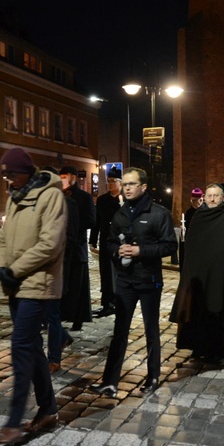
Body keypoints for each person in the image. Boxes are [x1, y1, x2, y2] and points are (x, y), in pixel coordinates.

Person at [0, 148, 67, 446]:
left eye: (12, 175)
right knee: (32, 348)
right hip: (16, 284)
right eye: (5, 175)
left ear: (27, 172)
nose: (9, 181)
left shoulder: (50, 195)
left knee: (20, 347)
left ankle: (13, 423)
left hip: (38, 282)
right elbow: (5, 239)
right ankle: (48, 410)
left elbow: (51, 243)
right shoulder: (15, 196)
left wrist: (15, 269)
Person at [89, 167, 177, 397]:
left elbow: (170, 245)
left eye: (131, 184)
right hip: (125, 281)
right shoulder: (120, 214)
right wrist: (118, 250)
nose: (126, 188)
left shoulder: (158, 213)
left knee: (151, 330)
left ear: (143, 187)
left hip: (149, 280)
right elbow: (108, 243)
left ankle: (153, 377)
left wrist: (140, 250)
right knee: (119, 331)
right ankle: (110, 381)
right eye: (125, 184)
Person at [170, 183, 224, 365]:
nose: (212, 199)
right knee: (197, 310)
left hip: (221, 274)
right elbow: (191, 246)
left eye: (216, 195)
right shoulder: (199, 216)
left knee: (218, 311)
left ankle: (217, 350)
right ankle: (198, 347)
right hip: (199, 275)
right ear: (204, 198)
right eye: (209, 196)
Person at [40, 166, 75, 374]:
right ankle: (62, 337)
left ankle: (54, 358)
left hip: (56, 267)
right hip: (39, 269)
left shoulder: (67, 204)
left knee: (51, 314)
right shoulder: (39, 206)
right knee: (43, 314)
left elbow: (71, 239)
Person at [59, 166, 95, 330]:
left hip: (77, 247)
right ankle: (60, 315)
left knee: (78, 286)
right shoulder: (58, 196)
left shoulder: (84, 197)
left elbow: (91, 221)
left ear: (73, 177)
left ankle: (78, 319)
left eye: (65, 176)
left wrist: (74, 224)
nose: (63, 179)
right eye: (61, 176)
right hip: (62, 248)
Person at [89, 167, 122, 318]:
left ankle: (118, 302)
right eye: (108, 181)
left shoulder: (125, 200)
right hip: (105, 241)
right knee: (105, 272)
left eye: (113, 181)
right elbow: (97, 221)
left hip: (120, 242)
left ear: (120, 183)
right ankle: (106, 303)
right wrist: (93, 239)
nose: (109, 184)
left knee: (118, 272)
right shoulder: (102, 200)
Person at [178, 187, 203, 269]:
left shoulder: (205, 212)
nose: (195, 203)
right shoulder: (188, 213)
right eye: (193, 201)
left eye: (197, 200)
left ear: (201, 199)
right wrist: (183, 229)